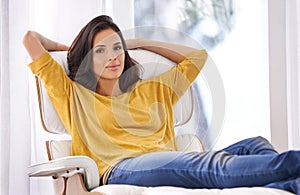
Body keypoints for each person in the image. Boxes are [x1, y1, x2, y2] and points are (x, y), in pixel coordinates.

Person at [23, 15, 300, 194]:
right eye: (100, 50)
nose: (113, 57)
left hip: (167, 159)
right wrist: (69, 50)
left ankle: (289, 186)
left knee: (255, 143)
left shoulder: (153, 89)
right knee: (210, 165)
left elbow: (197, 57)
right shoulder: (74, 96)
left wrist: (140, 42)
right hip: (121, 168)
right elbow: (30, 39)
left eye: (117, 47)